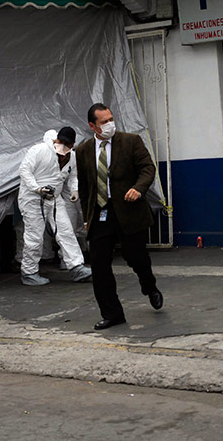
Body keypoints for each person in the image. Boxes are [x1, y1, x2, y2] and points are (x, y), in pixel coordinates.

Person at [75, 102, 163, 330]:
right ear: (92, 126)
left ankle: (149, 285)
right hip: (101, 214)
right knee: (99, 266)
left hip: (129, 211)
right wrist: (87, 217)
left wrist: (139, 188)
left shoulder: (131, 141)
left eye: (111, 119)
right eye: (104, 122)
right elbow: (85, 188)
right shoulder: (83, 151)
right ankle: (113, 314)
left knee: (136, 257)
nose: (110, 125)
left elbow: (148, 168)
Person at [18, 126, 92, 286]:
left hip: (54, 199)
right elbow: (25, 171)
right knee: (34, 236)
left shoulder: (71, 157)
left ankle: (77, 267)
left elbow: (73, 176)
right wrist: (36, 188)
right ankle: (29, 272)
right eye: (61, 142)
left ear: (72, 145)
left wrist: (74, 190)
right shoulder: (39, 150)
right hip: (32, 199)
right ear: (56, 139)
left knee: (66, 231)